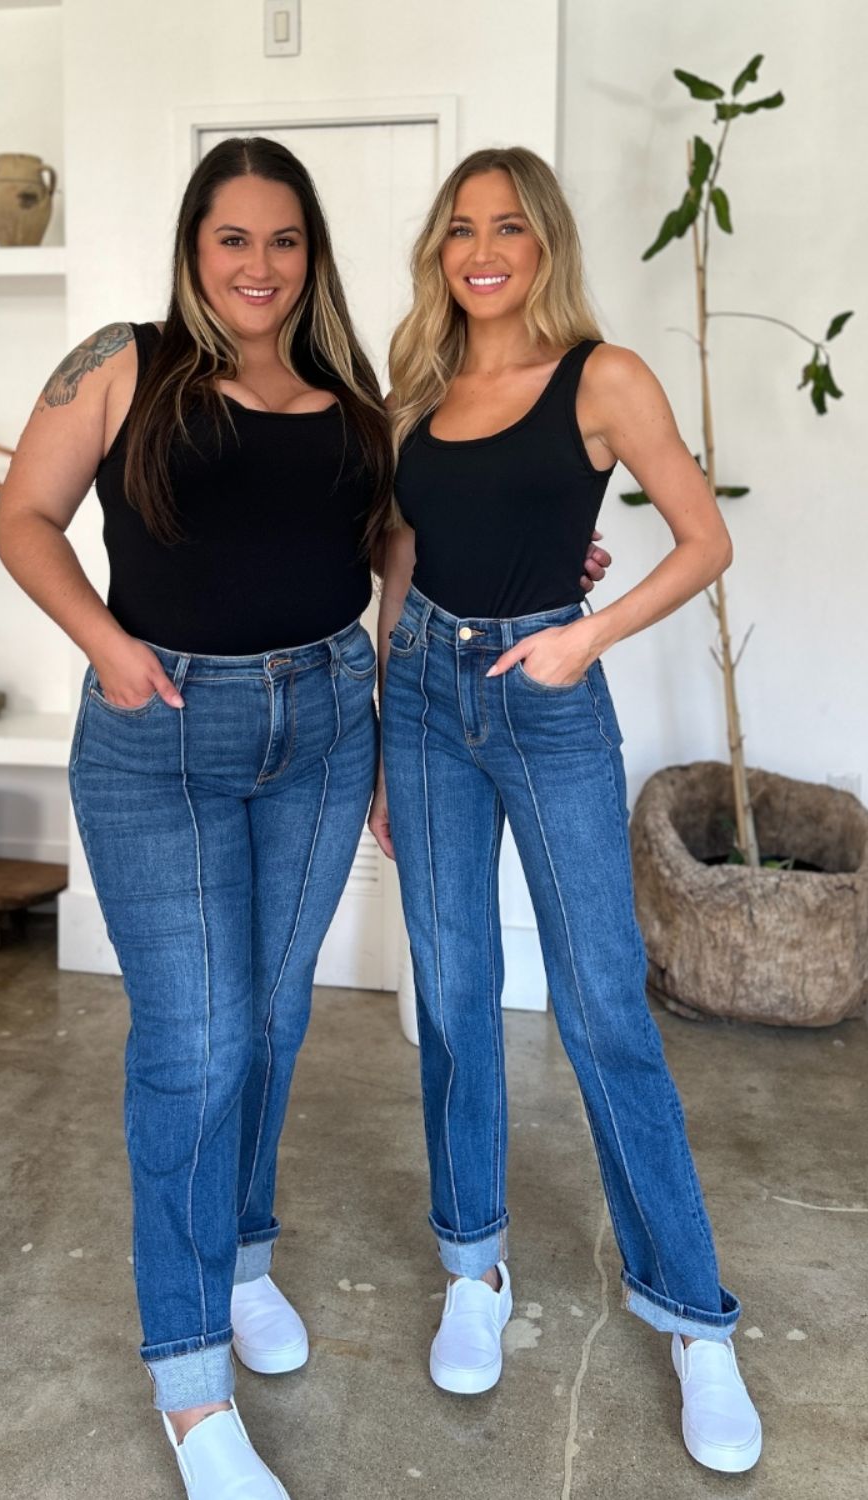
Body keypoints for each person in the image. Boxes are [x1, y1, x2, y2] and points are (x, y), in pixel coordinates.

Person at [0, 131, 613, 1498]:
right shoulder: (121, 363)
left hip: (331, 722)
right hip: (159, 730)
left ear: (311, 256)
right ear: (193, 247)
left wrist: (545, 547)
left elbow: (403, 548)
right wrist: (103, 644)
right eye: (234, 238)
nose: (260, 264)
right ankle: (190, 1387)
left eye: (285, 240)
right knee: (195, 1042)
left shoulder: (351, 397)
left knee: (271, 1022)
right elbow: (26, 517)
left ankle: (242, 1253)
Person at [370, 146, 762, 1476]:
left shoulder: (604, 376)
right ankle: (473, 1267)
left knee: (602, 1003)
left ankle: (696, 1323)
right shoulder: (419, 381)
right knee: (455, 991)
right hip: (422, 698)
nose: (484, 250)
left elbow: (704, 540)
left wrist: (583, 639)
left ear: (546, 245)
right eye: (464, 229)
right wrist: (377, 725)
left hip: (544, 693)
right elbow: (403, 557)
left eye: (511, 229)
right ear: (443, 247)